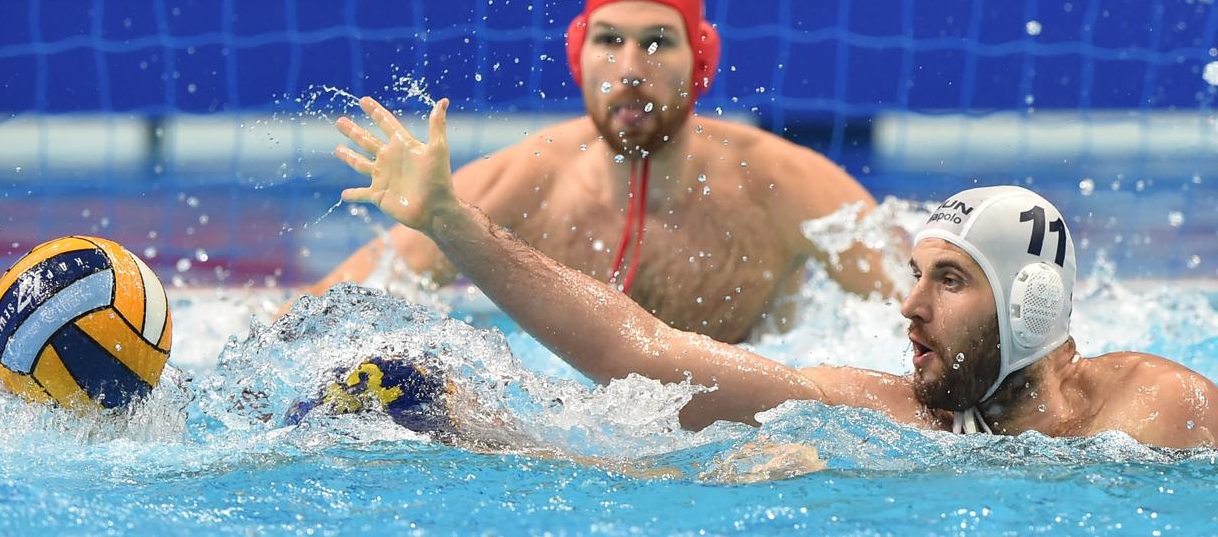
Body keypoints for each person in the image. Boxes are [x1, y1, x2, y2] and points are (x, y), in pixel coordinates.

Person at [330, 96, 1218, 449]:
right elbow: (644, 351)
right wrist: (450, 222)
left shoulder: (1162, 410)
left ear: (1031, 306)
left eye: (949, 281)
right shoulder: (882, 412)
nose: (907, 306)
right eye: (914, 275)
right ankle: (480, 428)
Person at [307, 0, 895, 343]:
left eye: (658, 42)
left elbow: (917, 318)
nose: (631, 68)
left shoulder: (783, 184)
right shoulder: (519, 182)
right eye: (609, 40)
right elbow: (322, 316)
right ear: (578, 57)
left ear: (702, 61)